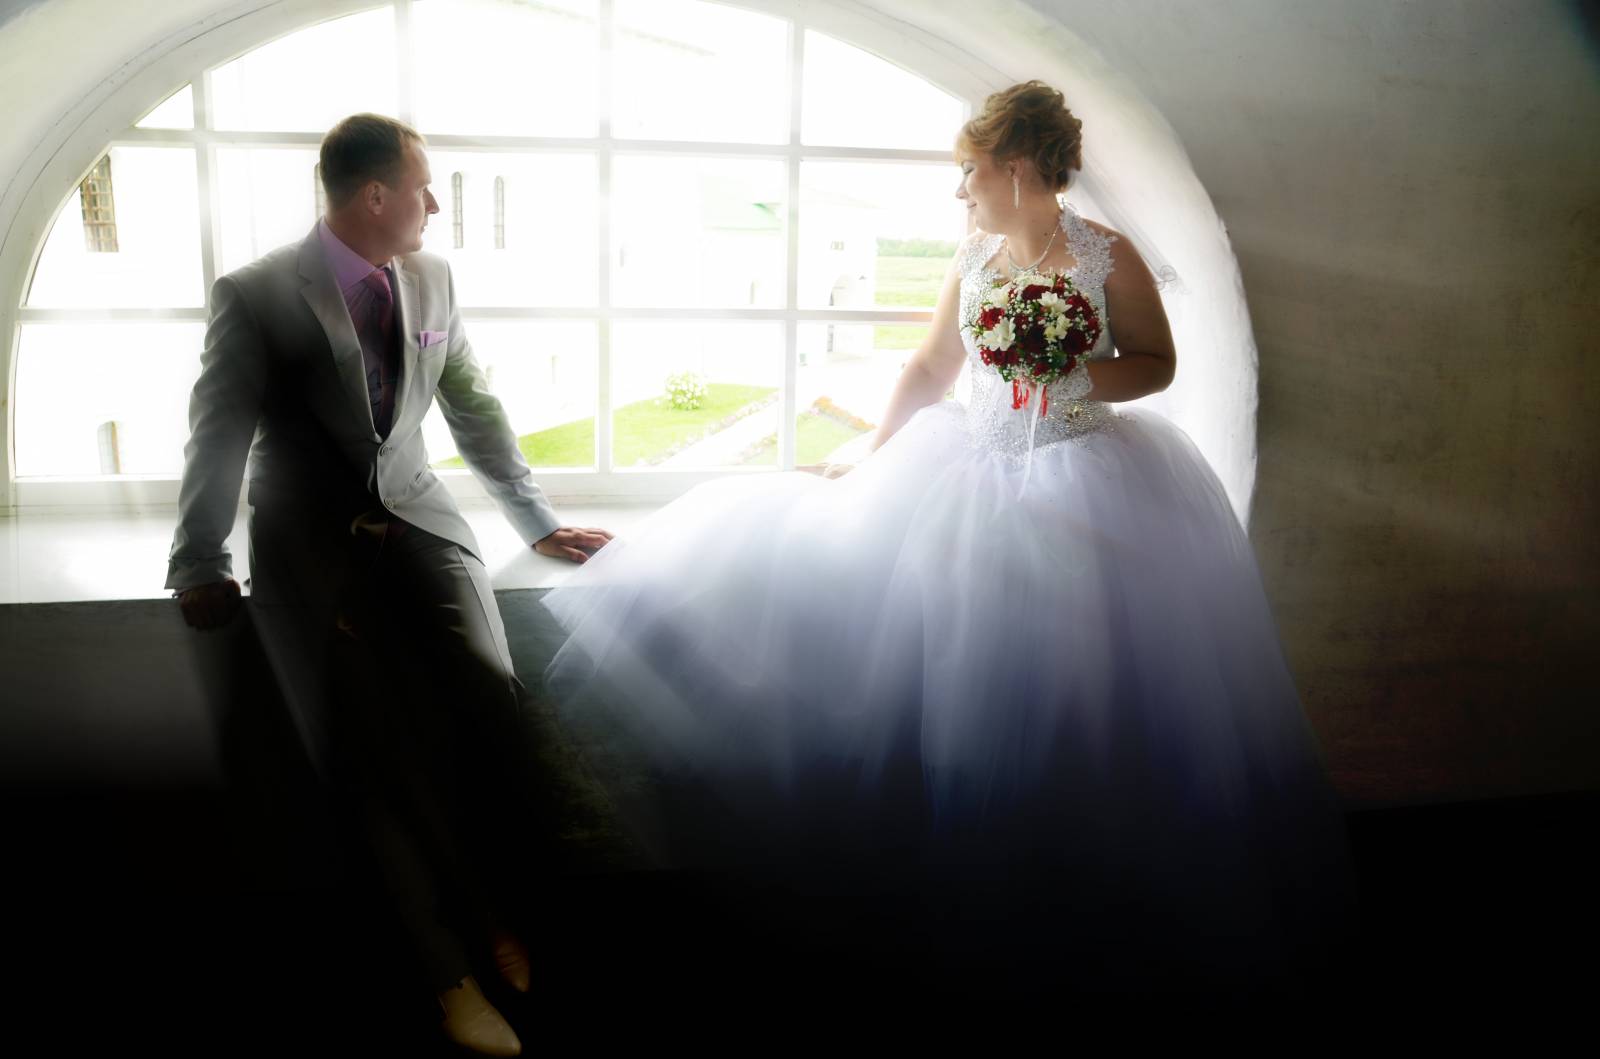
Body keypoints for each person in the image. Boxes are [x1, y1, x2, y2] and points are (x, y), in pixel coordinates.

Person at [537, 82, 1360, 1001]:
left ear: (1017, 167)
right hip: (968, 468)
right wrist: (874, 455)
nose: (960, 191)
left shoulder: (1106, 253)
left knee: (1075, 697)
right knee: (960, 681)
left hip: (1088, 481)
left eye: (969, 172)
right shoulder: (972, 256)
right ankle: (964, 889)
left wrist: (1070, 376)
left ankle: (1078, 893)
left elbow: (1157, 363)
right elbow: (933, 365)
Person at [165, 113, 612, 1055]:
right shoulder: (254, 293)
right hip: (308, 544)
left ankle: (495, 907)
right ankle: (447, 970)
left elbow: (474, 405)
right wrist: (200, 559)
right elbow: (217, 433)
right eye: (423, 186)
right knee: (370, 752)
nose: (434, 204)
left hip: (420, 517)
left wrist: (534, 520)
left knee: (490, 691)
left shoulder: (433, 278)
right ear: (375, 196)